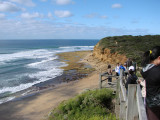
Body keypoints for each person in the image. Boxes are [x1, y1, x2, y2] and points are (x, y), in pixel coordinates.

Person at [141, 46, 160, 120]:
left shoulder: (146, 70)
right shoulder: (156, 71)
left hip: (150, 104)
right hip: (157, 106)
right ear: (159, 58)